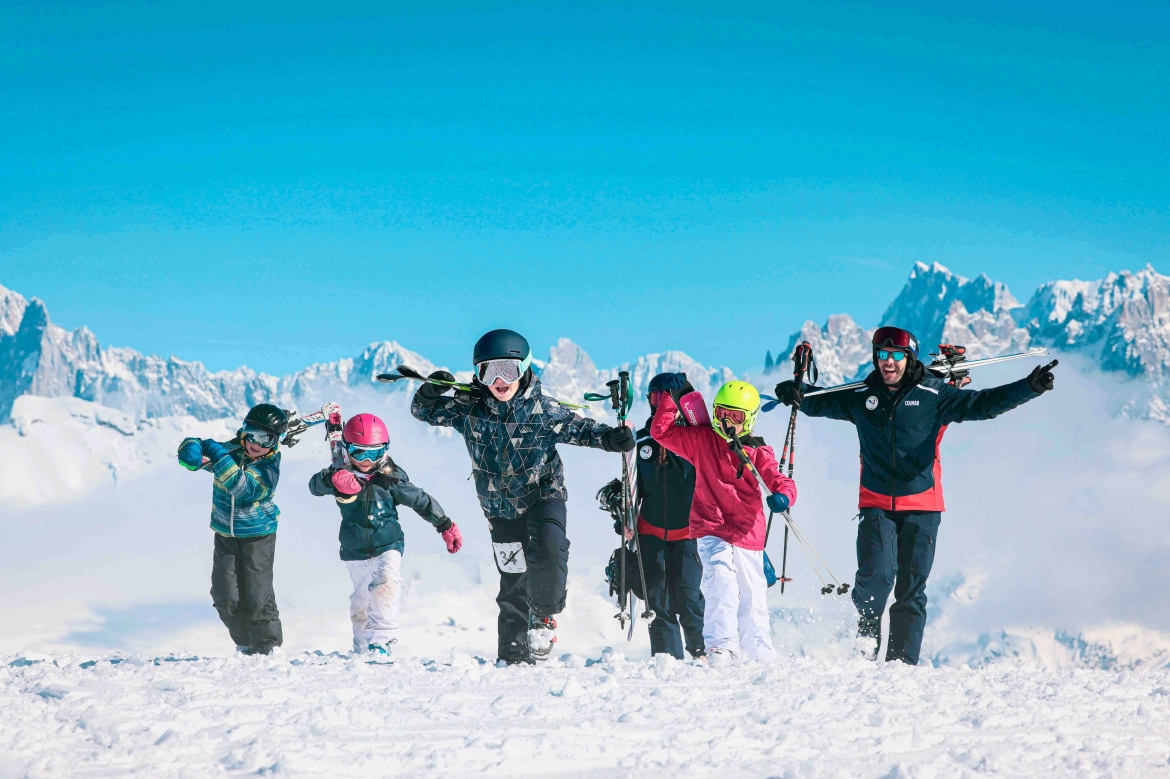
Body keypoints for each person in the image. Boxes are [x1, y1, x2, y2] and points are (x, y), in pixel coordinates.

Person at [773, 326, 1057, 665]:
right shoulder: (862, 395)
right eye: (882, 355)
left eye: (895, 356)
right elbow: (819, 401)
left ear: (909, 358)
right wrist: (795, 391)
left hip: (923, 507)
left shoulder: (934, 394)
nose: (887, 363)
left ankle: (902, 666)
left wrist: (1028, 388)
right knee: (876, 577)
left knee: (910, 591)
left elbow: (983, 405)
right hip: (876, 503)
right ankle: (866, 641)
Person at [410, 328, 635, 665]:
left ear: (525, 368)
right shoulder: (468, 409)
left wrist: (612, 438)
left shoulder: (542, 410)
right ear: (478, 374)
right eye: (489, 371)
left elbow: (584, 429)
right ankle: (513, 657)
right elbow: (422, 412)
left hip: (544, 494)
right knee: (513, 578)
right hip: (498, 507)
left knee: (549, 547)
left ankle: (543, 618)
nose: (500, 380)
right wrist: (429, 393)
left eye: (509, 370)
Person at [650, 380, 796, 665]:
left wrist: (784, 495)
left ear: (750, 418)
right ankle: (722, 645)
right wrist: (671, 399)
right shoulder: (701, 440)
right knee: (720, 578)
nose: (727, 421)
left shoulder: (757, 451)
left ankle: (758, 649)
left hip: (747, 531)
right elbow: (662, 432)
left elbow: (777, 478)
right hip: (711, 526)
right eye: (721, 413)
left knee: (751, 593)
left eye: (737, 416)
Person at [308, 413, 461, 658]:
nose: (367, 461)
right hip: (353, 548)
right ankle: (362, 649)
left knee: (386, 584)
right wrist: (332, 479)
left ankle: (380, 642)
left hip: (388, 544)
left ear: (385, 451)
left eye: (375, 453)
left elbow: (420, 500)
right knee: (361, 602)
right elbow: (314, 486)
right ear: (347, 450)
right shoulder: (340, 474)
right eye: (359, 453)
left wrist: (444, 524)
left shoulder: (391, 478)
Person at [177, 403, 288, 656]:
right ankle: (246, 642)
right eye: (252, 433)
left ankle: (268, 647)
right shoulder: (232, 451)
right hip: (225, 534)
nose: (257, 444)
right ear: (243, 431)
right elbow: (201, 450)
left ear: (276, 442)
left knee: (258, 595)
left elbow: (243, 488)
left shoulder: (268, 468)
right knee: (224, 595)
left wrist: (218, 455)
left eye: (266, 439)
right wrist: (191, 449)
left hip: (258, 535)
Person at [628, 372, 705, 660]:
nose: (660, 404)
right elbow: (631, 485)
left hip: (687, 535)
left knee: (688, 597)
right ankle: (667, 661)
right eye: (655, 398)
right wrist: (621, 511)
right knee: (656, 600)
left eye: (666, 399)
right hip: (650, 533)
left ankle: (701, 653)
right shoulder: (640, 442)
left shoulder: (695, 440)